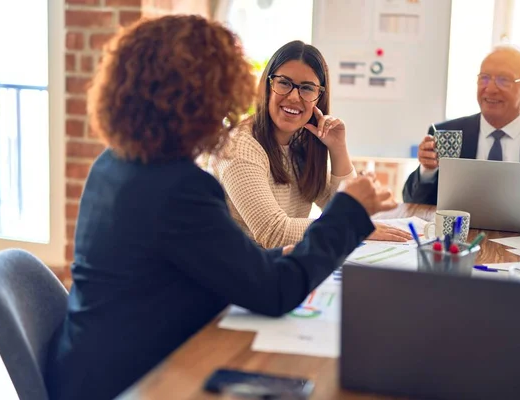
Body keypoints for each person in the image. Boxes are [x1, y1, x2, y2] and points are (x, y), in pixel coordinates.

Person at [45, 15, 397, 400]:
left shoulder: (113, 164)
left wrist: (286, 251)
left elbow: (217, 262)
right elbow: (274, 292)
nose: (227, 115)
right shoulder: (179, 189)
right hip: (129, 383)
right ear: (198, 102)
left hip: (94, 364)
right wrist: (347, 216)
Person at [207, 40, 411, 249]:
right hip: (239, 272)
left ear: (318, 98)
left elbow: (347, 208)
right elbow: (274, 232)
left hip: (279, 265)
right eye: (284, 83)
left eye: (306, 88)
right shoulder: (239, 146)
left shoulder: (300, 142)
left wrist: (338, 148)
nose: (294, 97)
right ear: (267, 87)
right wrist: (349, 226)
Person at [403, 44, 520, 205]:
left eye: (504, 80)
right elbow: (412, 202)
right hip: (460, 230)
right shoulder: (447, 134)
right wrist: (428, 170)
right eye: (484, 78)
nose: (490, 89)